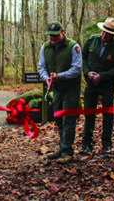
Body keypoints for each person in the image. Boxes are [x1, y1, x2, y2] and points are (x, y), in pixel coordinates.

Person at [38, 21, 82, 164]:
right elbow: (41, 67)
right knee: (58, 119)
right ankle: (62, 149)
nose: (53, 38)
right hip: (57, 90)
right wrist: (46, 79)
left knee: (68, 120)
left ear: (62, 32)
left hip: (71, 89)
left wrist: (60, 76)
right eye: (50, 35)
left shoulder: (73, 46)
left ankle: (68, 152)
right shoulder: (45, 47)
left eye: (56, 35)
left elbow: (77, 69)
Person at [80, 17, 114, 155]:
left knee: (108, 115)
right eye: (104, 32)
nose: (105, 35)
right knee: (89, 113)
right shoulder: (92, 41)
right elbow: (83, 58)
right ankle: (86, 144)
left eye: (109, 33)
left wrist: (102, 76)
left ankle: (107, 144)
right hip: (91, 83)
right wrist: (88, 72)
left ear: (113, 34)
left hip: (107, 84)